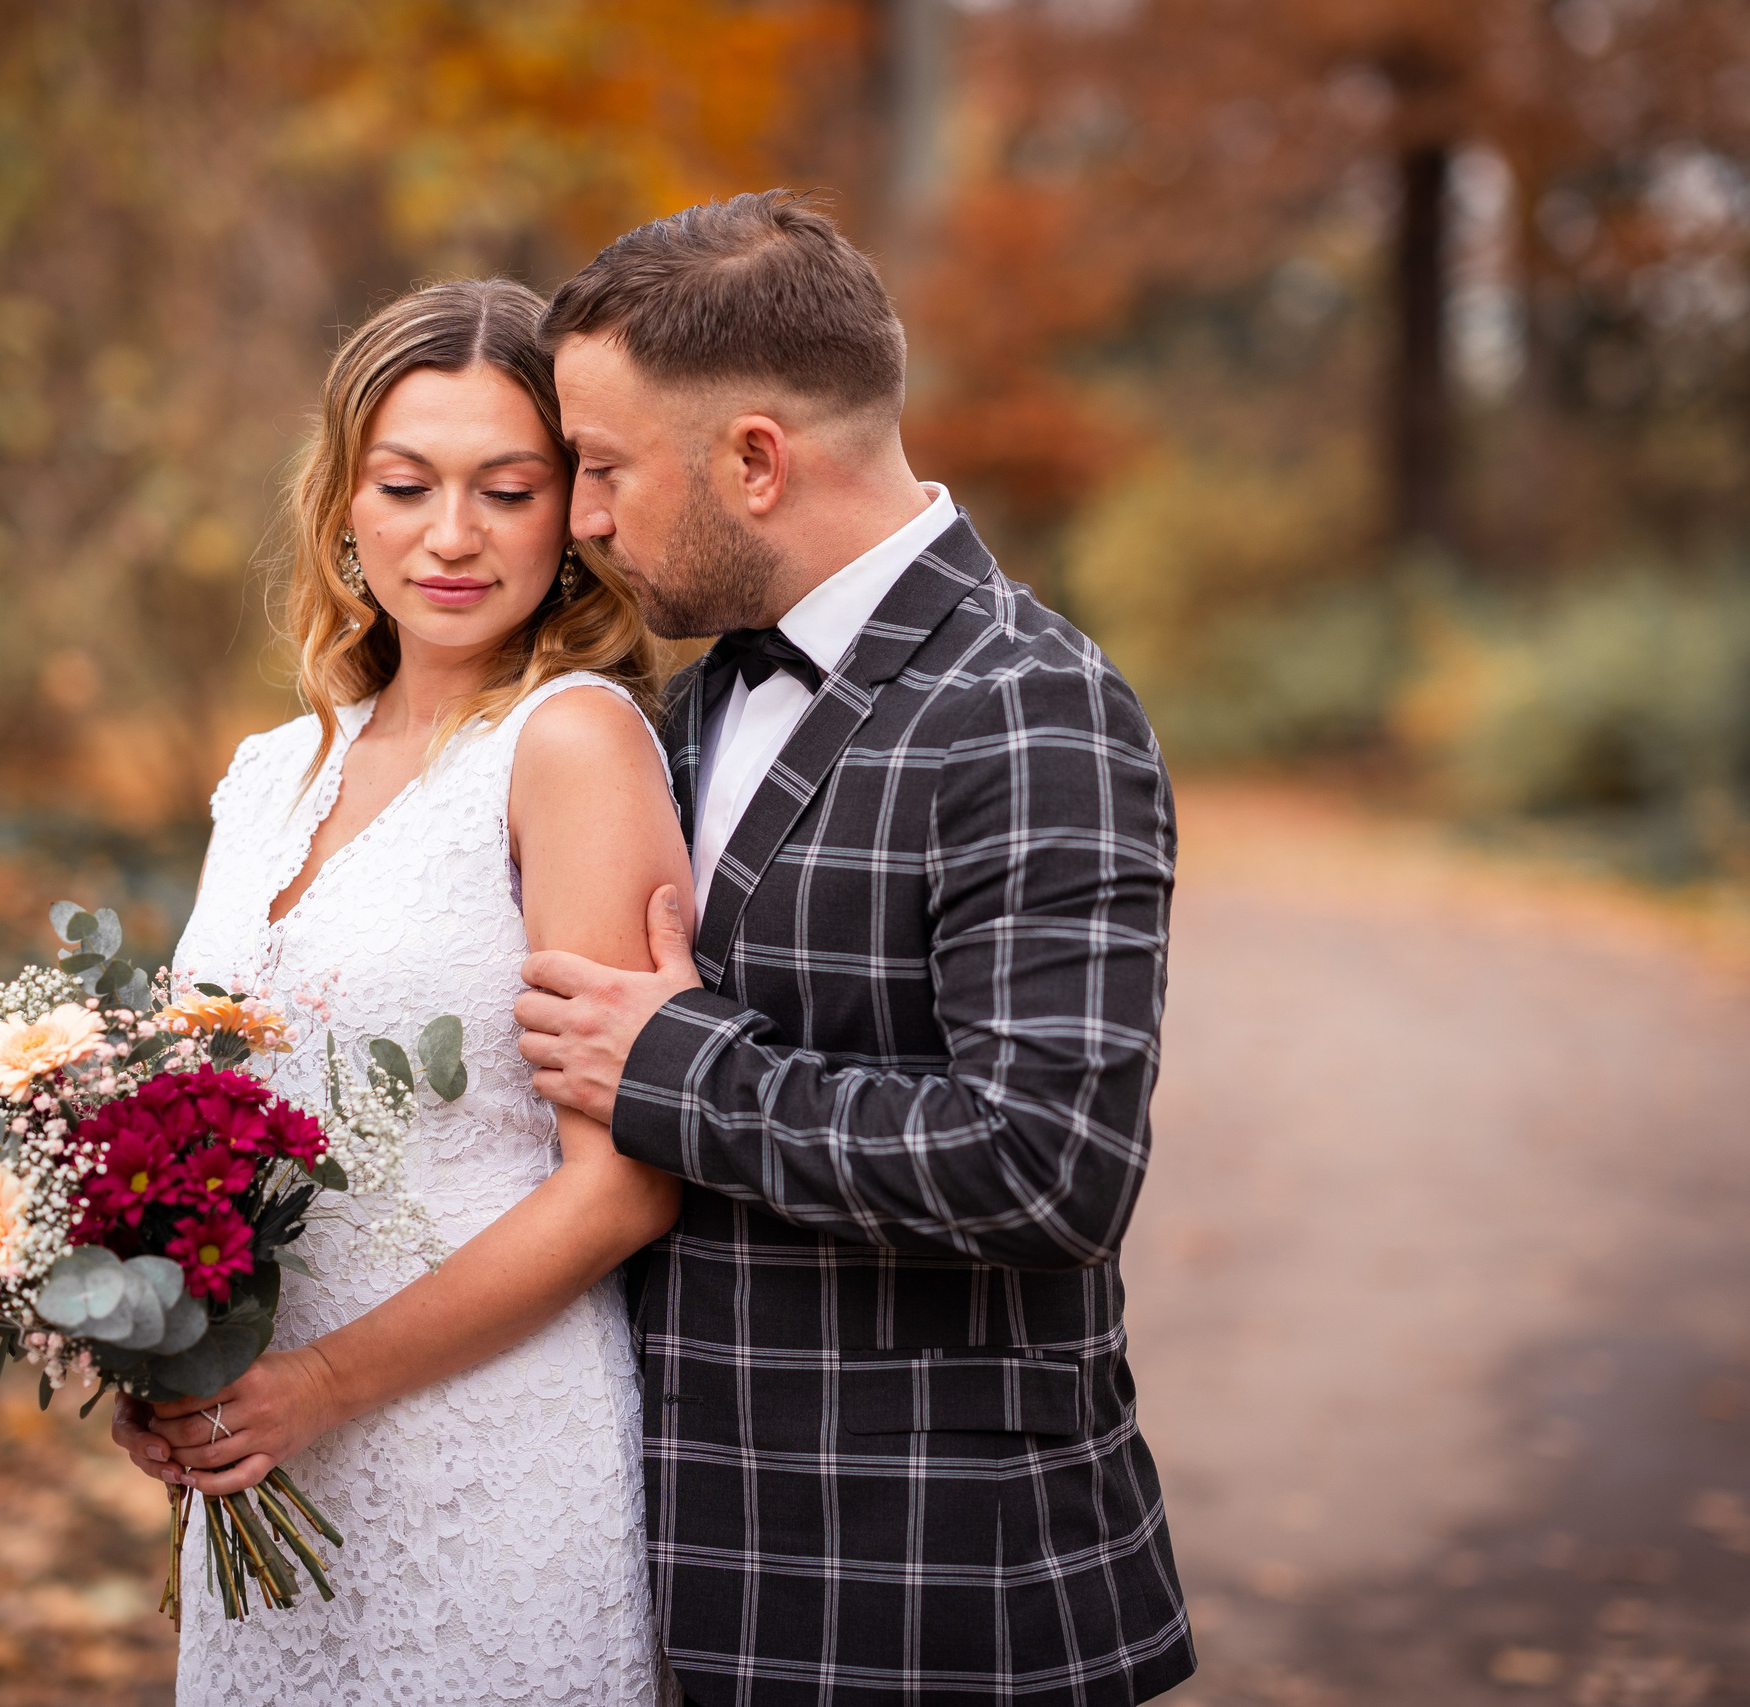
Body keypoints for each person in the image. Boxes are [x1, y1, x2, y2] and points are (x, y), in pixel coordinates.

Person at [512, 191, 1195, 1705]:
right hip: (691, 1572)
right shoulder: (689, 704)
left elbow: (1047, 1161)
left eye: (607, 468)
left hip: (939, 1593)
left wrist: (678, 1066)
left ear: (755, 461)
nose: (585, 518)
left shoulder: (1029, 704)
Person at [111, 278, 689, 1705]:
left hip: (487, 1459)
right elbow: (208, 1128)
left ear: (569, 514)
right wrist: (159, 1349)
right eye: (408, 483)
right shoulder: (268, 773)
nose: (452, 536)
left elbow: (625, 1184)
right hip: (267, 1469)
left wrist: (323, 1388)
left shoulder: (572, 746)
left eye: (507, 489)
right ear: (344, 501)